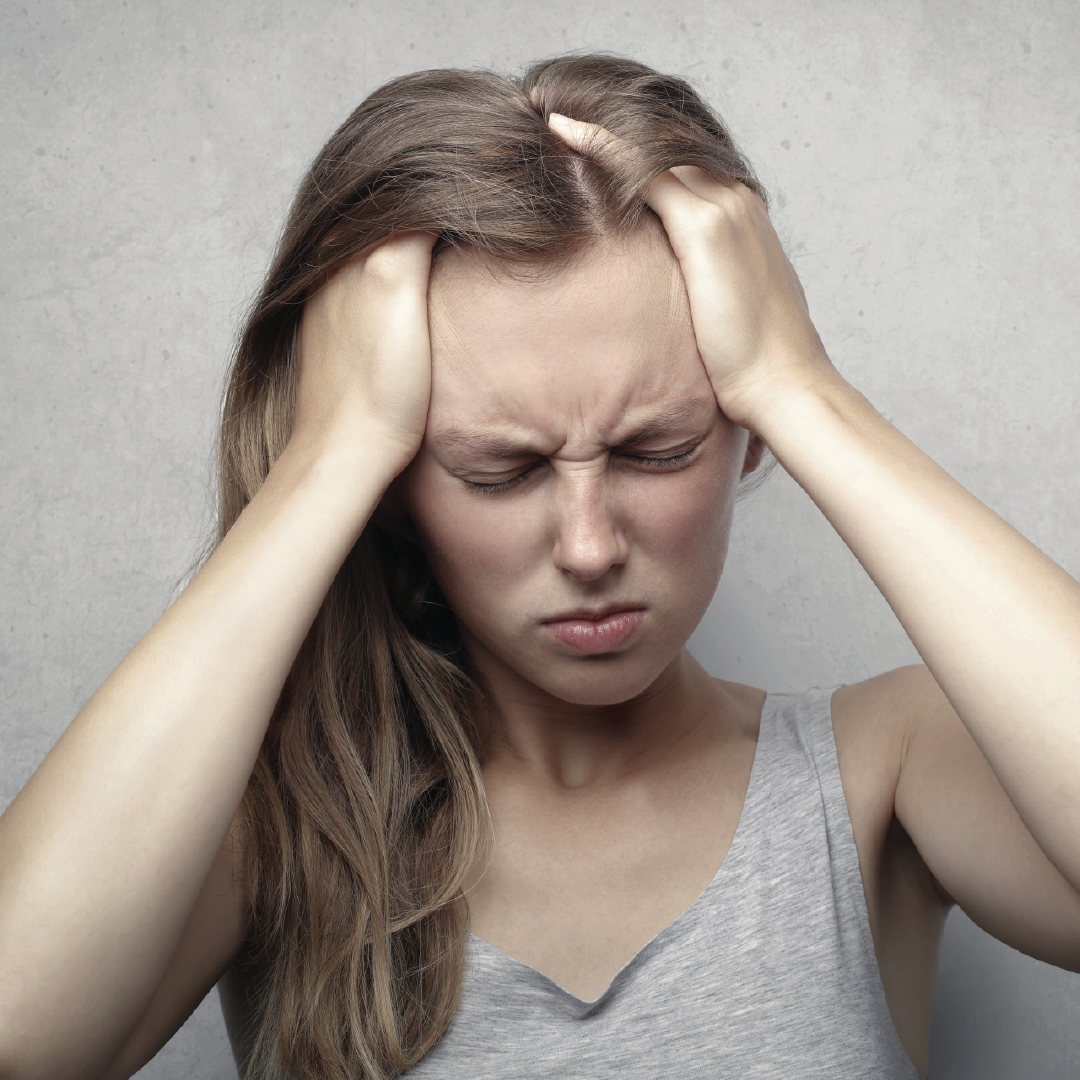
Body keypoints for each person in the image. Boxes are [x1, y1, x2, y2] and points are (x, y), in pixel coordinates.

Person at [1, 52, 1078, 1080]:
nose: (591, 546)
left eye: (659, 450)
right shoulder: (277, 823)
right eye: (499, 471)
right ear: (395, 488)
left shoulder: (883, 772)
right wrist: (329, 456)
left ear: (744, 432)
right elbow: (20, 1034)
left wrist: (805, 391)